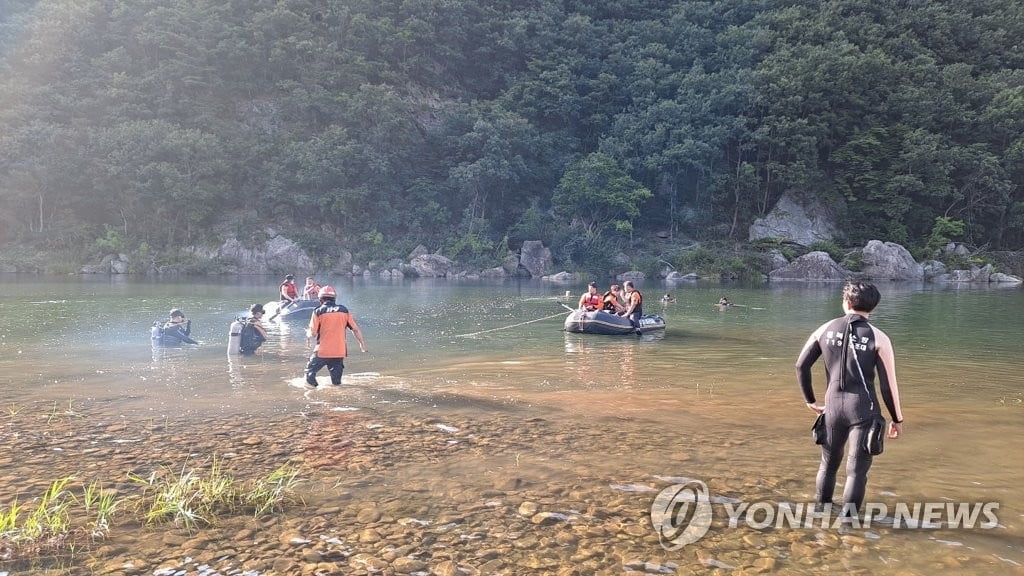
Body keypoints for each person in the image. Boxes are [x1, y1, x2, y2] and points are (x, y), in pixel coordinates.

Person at [796, 282, 905, 517]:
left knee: (828, 464)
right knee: (856, 472)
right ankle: (849, 527)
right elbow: (888, 385)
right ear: (873, 307)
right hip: (864, 411)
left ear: (846, 303)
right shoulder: (879, 337)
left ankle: (821, 515)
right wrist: (897, 419)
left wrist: (811, 401)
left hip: (832, 408)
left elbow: (801, 365)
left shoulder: (824, 329)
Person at [304, 285, 367, 389]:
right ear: (334, 298)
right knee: (337, 383)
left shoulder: (318, 311)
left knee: (309, 374)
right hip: (339, 352)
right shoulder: (344, 310)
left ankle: (316, 392)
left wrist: (308, 334)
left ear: (320, 299)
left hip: (322, 351)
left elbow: (313, 333)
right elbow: (355, 329)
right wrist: (362, 344)